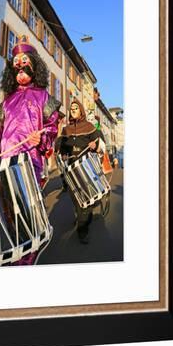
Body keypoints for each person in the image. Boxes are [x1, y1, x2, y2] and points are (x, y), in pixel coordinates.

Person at [0, 35, 61, 265]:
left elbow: (52, 128)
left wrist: (42, 136)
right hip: (4, 164)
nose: (21, 72)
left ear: (34, 68)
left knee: (26, 209)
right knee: (8, 212)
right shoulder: (4, 103)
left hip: (29, 162)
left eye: (25, 67)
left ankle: (28, 255)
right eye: (17, 68)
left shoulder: (44, 97)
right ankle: (17, 250)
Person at [54, 98, 103, 244]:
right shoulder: (66, 129)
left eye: (76, 107)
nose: (73, 109)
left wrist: (95, 145)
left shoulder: (89, 126)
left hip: (86, 166)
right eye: (71, 108)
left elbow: (99, 143)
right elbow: (61, 146)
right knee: (76, 198)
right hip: (71, 168)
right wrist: (62, 152)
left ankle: (83, 228)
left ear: (81, 110)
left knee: (86, 198)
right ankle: (82, 217)